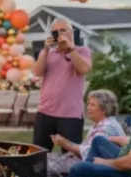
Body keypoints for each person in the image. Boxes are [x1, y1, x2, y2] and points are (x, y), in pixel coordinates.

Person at [32, 20, 93, 151]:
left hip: (70, 115)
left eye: (63, 30)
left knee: (70, 156)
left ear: (71, 33)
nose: (59, 34)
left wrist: (70, 49)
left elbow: (84, 69)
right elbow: (37, 72)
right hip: (45, 112)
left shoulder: (82, 51)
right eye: (56, 32)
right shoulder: (48, 53)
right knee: (38, 155)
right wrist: (46, 50)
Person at [47, 89, 125, 176]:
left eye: (92, 105)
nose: (88, 108)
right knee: (42, 159)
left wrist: (65, 144)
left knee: (41, 165)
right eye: (88, 104)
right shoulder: (100, 124)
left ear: (104, 109)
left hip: (91, 168)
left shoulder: (107, 127)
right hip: (83, 163)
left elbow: (89, 154)